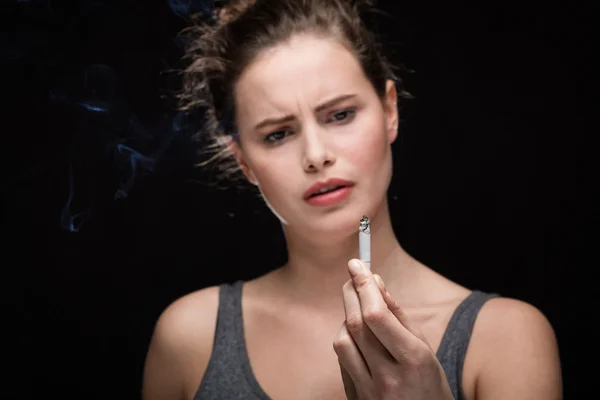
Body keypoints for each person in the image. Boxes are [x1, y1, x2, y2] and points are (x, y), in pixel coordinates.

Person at [142, 0, 562, 399]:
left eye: (340, 115)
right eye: (277, 134)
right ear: (245, 163)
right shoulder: (189, 338)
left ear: (389, 111)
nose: (316, 155)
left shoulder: (506, 340)